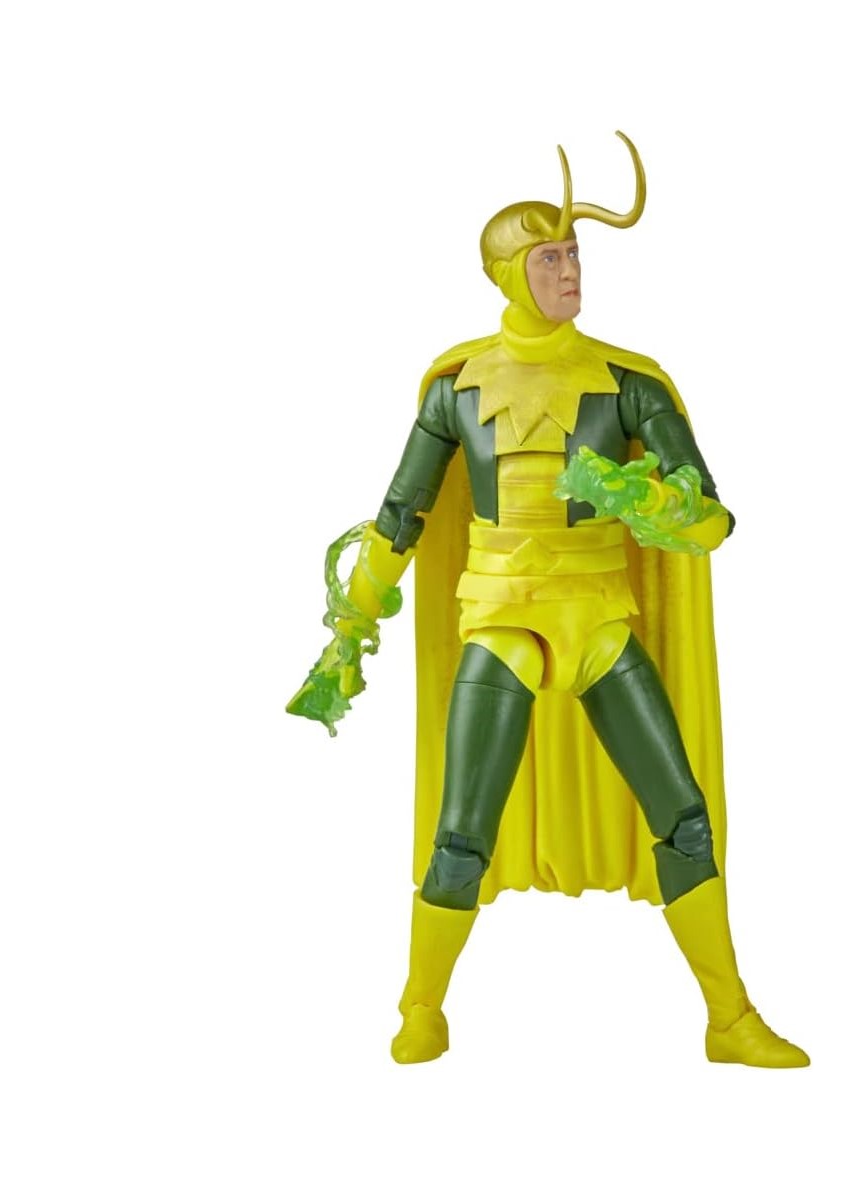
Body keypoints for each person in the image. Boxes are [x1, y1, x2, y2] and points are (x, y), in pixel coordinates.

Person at [289, 133, 809, 1068]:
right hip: (502, 622)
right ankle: (420, 1006)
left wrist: (663, 508)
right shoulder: (456, 389)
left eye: (574, 255)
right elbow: (401, 515)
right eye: (550, 258)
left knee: (685, 817)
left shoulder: (629, 384)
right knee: (462, 833)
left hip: (599, 620)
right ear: (507, 275)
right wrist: (351, 626)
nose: (570, 271)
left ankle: (729, 1019)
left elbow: (711, 518)